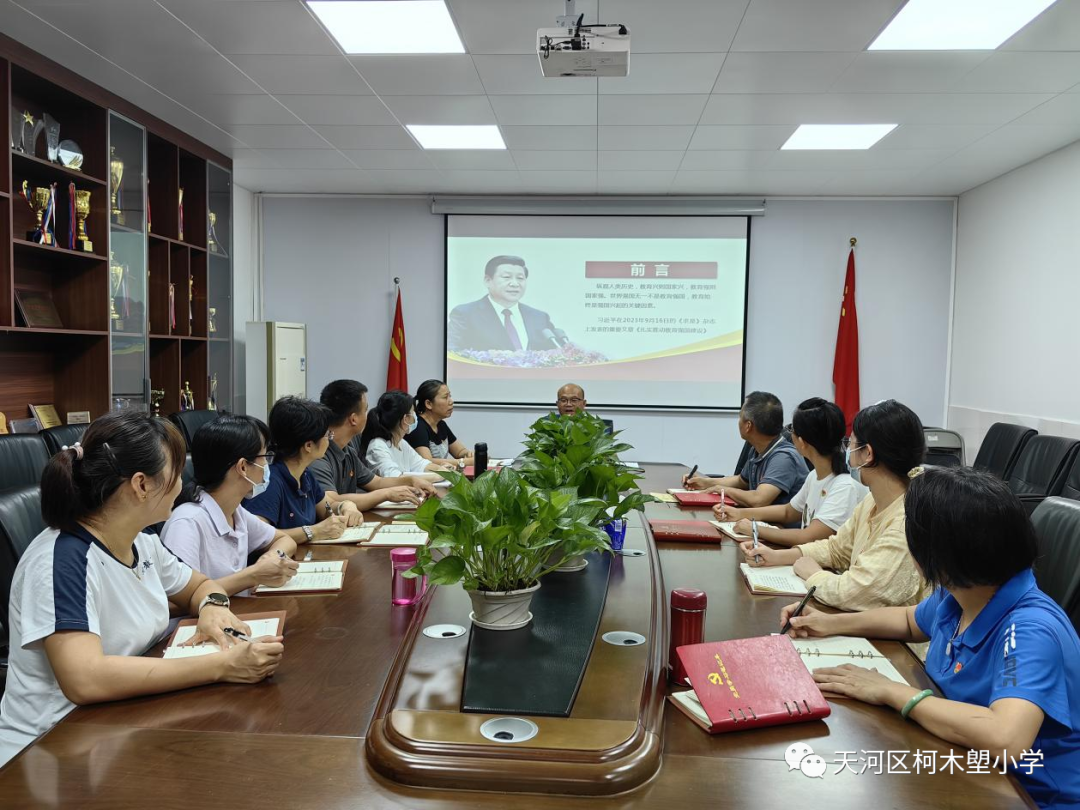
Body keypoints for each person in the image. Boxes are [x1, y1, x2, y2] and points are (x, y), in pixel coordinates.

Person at [781, 467, 1080, 810]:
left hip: (1028, 796)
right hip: (965, 767)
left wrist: (891, 691)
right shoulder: (963, 591)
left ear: (934, 554)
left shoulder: (1029, 629)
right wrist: (829, 624)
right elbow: (910, 620)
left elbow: (1006, 738)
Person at [0, 412, 283, 767]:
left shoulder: (141, 541)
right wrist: (222, 665)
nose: (183, 483)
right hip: (53, 749)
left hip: (120, 720)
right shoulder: (62, 560)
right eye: (177, 473)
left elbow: (200, 585)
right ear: (141, 484)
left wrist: (212, 608)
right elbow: (84, 679)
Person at [740, 399, 930, 612]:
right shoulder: (872, 501)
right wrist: (777, 556)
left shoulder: (906, 521)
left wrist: (813, 574)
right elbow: (836, 548)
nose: (847, 449)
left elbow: (854, 593)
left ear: (868, 453)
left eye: (851, 443)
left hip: (894, 644)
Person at [161, 414, 299, 596]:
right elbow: (174, 600)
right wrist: (253, 575)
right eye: (264, 457)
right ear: (243, 467)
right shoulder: (187, 522)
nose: (267, 465)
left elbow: (285, 540)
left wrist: (272, 557)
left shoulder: (235, 511)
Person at [714, 398, 865, 547]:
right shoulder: (815, 476)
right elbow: (788, 512)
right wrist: (739, 514)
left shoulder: (844, 487)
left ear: (802, 442)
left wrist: (755, 529)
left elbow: (808, 537)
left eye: (792, 429)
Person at [244, 396, 361, 544]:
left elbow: (327, 506)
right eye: (326, 435)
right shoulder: (270, 482)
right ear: (309, 446)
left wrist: (346, 506)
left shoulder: (304, 474)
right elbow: (258, 537)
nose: (329, 440)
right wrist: (314, 531)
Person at [313, 379, 440, 511]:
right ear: (353, 419)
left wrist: (411, 481)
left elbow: (377, 482)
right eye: (365, 410)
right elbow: (330, 500)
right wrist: (387, 494)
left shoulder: (347, 451)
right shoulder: (318, 454)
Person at [685, 391, 806, 509]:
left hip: (781, 528)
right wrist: (704, 482)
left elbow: (758, 500)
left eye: (740, 416)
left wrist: (722, 490)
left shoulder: (783, 458)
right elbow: (741, 481)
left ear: (748, 426)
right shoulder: (757, 449)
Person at [447, 255, 560, 353]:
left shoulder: (539, 317)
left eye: (520, 278)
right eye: (506, 277)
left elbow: (555, 353)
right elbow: (452, 352)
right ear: (488, 281)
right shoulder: (465, 314)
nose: (515, 284)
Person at [359, 390, 445, 481]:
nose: (416, 416)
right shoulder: (377, 446)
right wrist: (437, 476)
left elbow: (422, 465)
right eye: (413, 412)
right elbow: (394, 478)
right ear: (406, 419)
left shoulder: (401, 443)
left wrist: (441, 470)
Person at [408, 379, 472, 466]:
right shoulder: (418, 427)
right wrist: (464, 462)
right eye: (445, 397)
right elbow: (427, 461)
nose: (451, 401)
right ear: (428, 404)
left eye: (450, 396)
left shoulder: (441, 424)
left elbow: (459, 451)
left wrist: (469, 454)